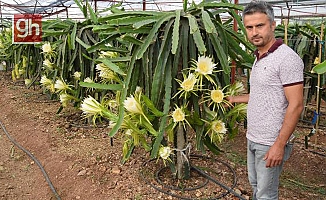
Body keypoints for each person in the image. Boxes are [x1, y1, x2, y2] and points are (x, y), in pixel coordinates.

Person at [227, 1, 304, 199]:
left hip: (270, 141)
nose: (254, 32)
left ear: (272, 25)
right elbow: (263, 94)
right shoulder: (260, 56)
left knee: (266, 195)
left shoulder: (287, 59)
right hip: (253, 136)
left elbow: (296, 105)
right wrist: (234, 98)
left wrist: (279, 145)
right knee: (255, 186)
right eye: (249, 27)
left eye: (259, 26)